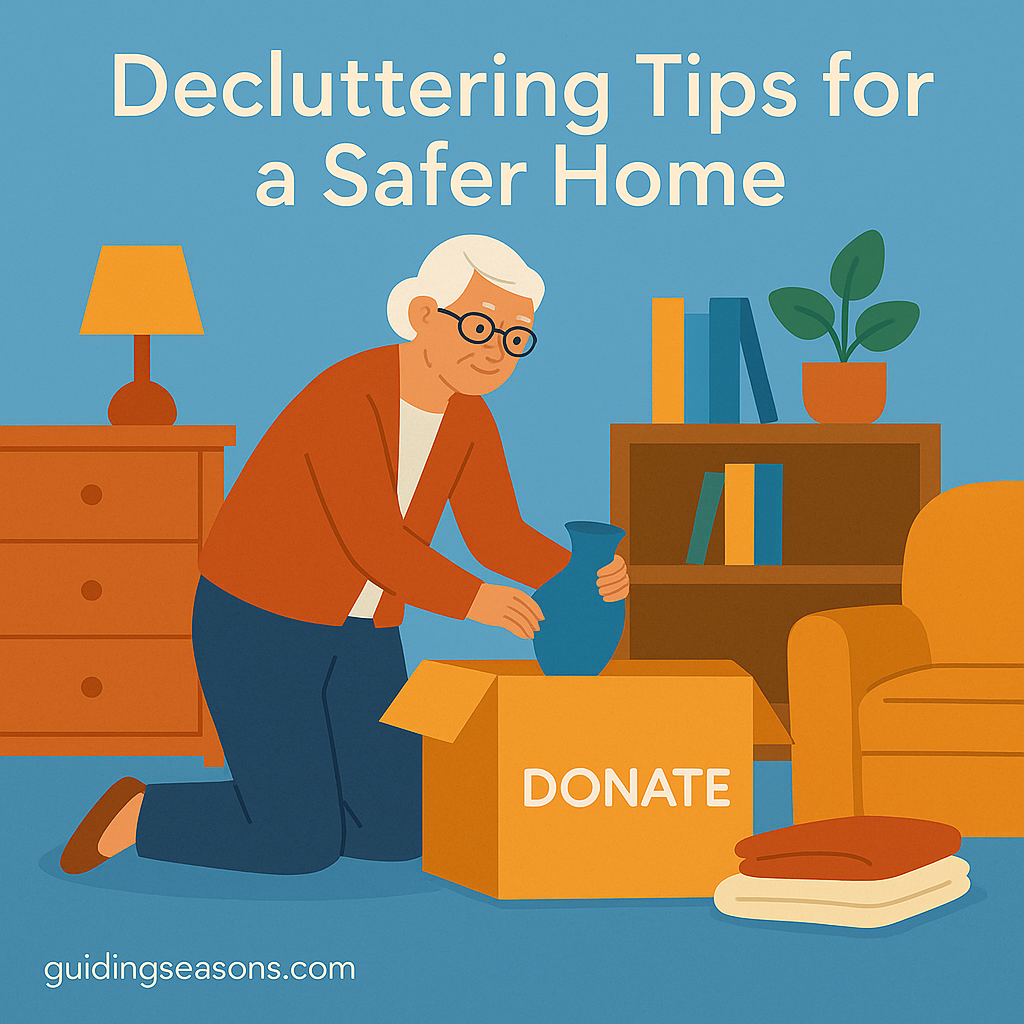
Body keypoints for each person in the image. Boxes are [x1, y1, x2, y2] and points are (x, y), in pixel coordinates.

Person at [60, 235, 629, 875]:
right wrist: (475, 602)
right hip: (261, 624)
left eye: (515, 338)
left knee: (395, 834)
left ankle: (289, 803)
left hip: (365, 637)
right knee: (299, 844)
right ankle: (145, 815)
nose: (495, 351)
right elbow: (374, 542)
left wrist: (579, 579)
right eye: (479, 326)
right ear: (422, 315)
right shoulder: (347, 396)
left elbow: (495, 534)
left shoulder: (469, 419)